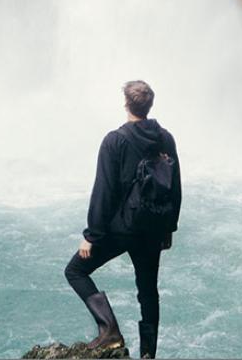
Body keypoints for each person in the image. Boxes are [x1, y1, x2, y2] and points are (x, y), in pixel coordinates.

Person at [64, 80, 181, 359]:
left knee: (75, 271)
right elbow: (175, 186)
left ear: (126, 104)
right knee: (148, 292)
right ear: (149, 106)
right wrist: (169, 228)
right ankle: (148, 355)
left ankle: (110, 331)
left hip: (121, 229)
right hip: (152, 227)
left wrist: (91, 235)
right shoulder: (166, 138)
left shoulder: (115, 141)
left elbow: (104, 191)